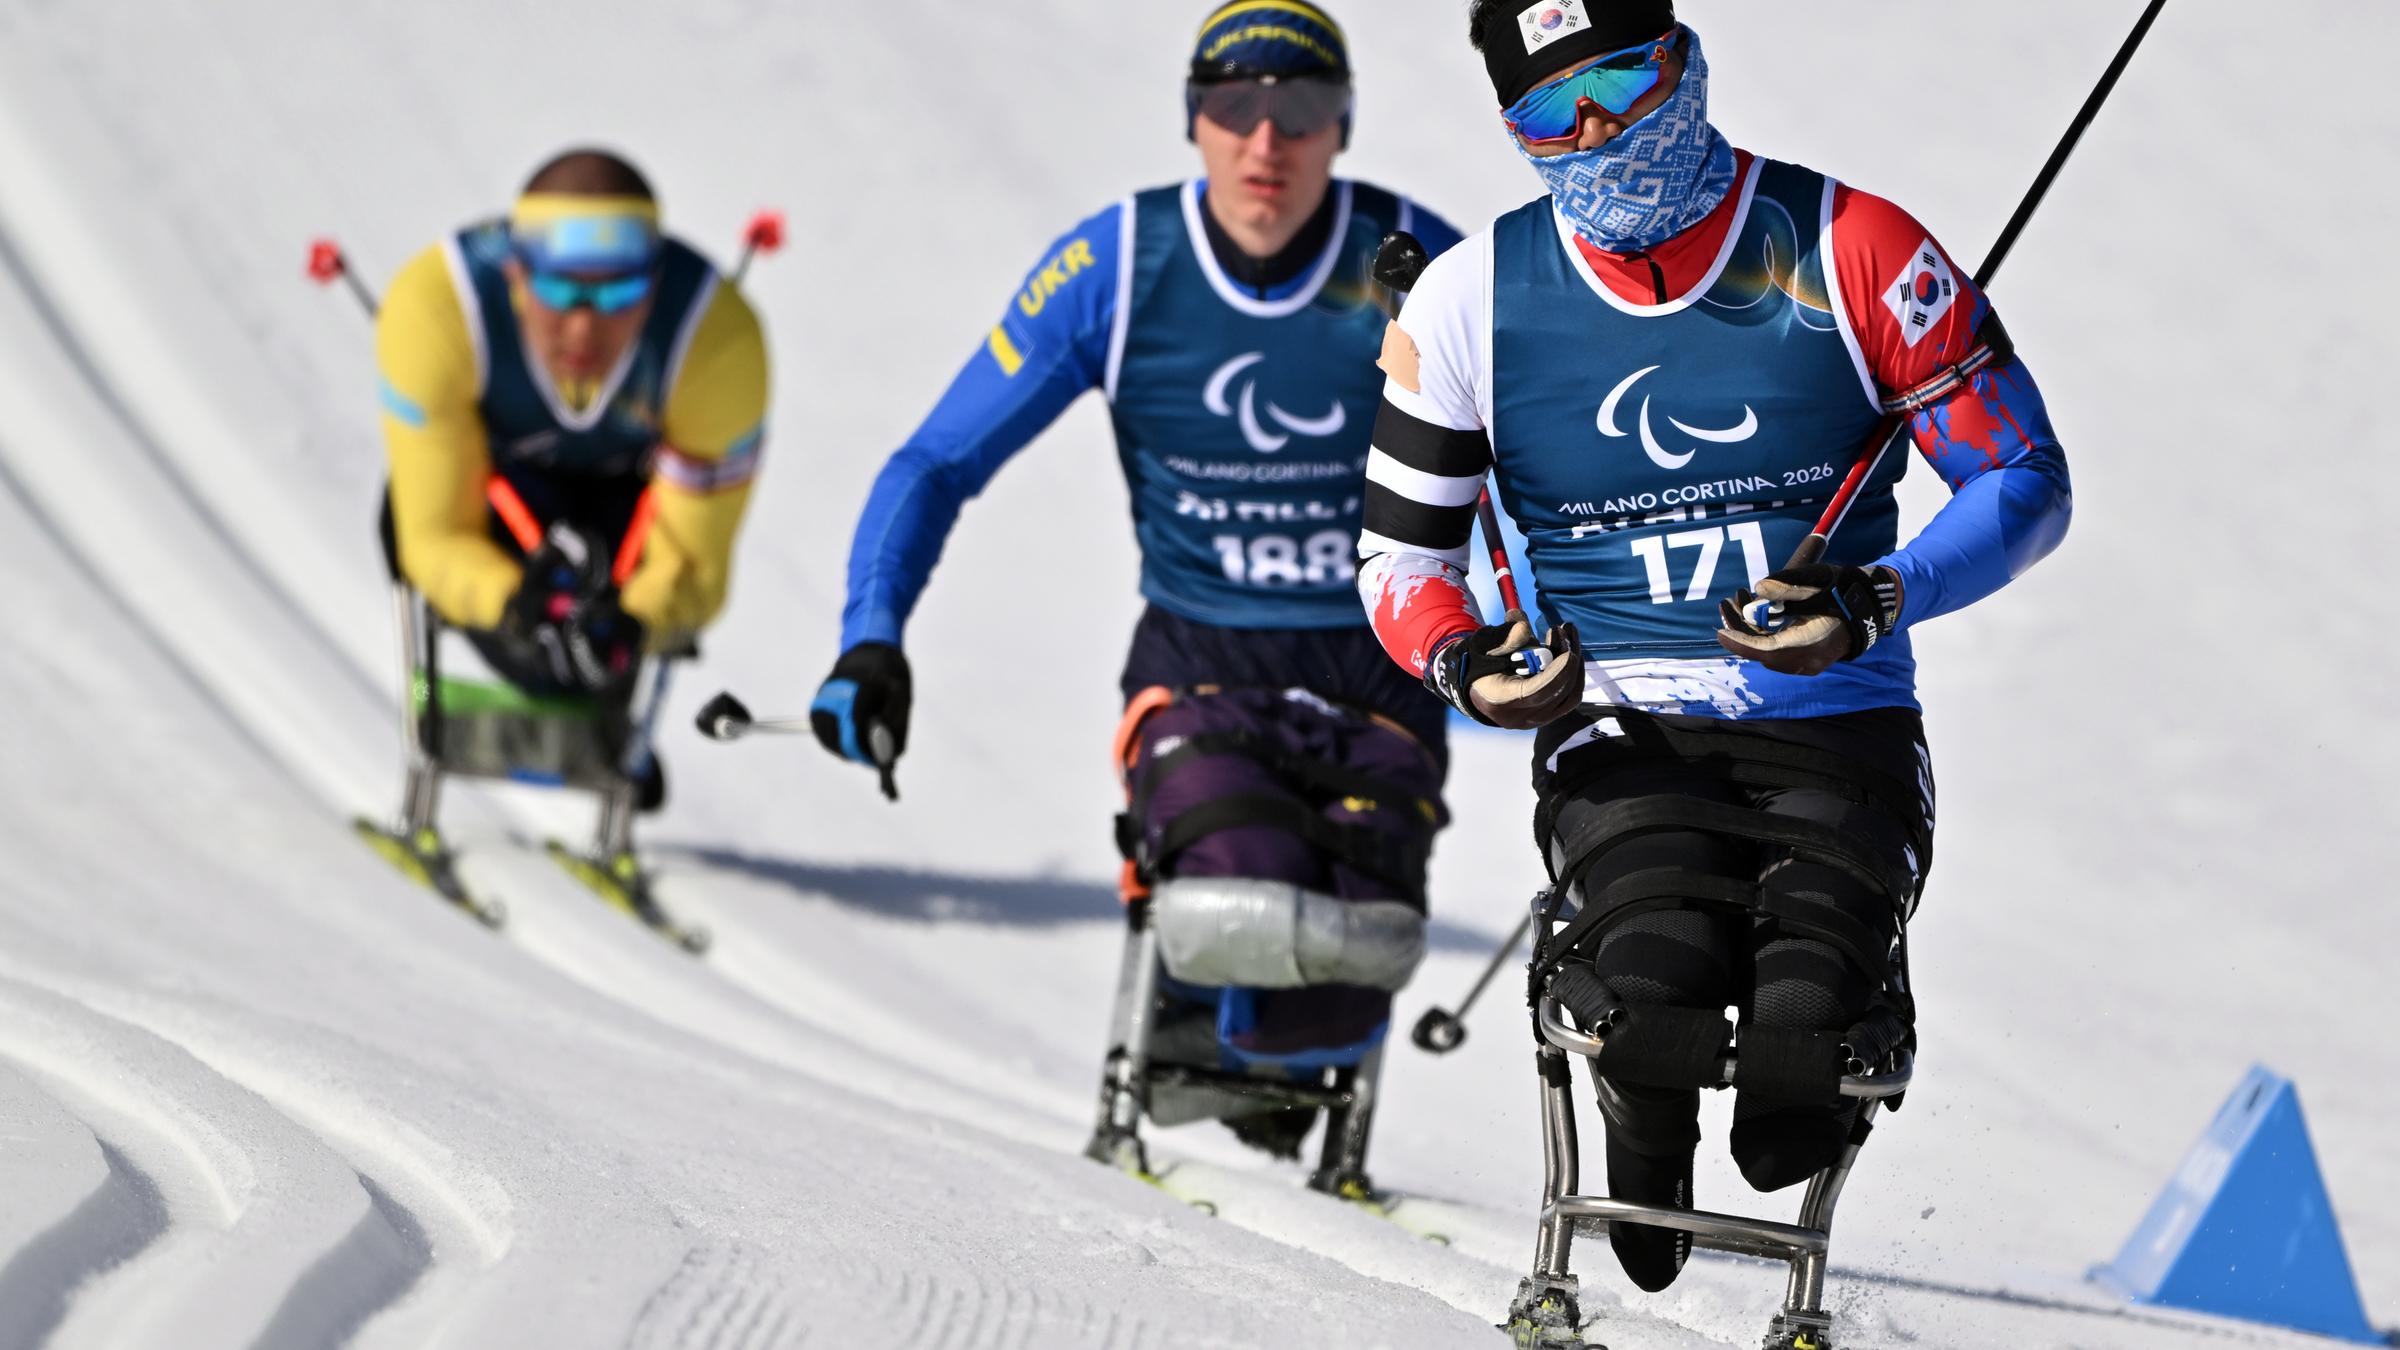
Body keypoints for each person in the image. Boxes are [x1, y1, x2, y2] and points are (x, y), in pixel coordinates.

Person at [1359, 0, 2070, 1292]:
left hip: (1836, 725)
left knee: (1805, 1047)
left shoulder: (1853, 246)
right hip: (1624, 732)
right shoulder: (1468, 299)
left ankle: (1787, 1113)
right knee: (1654, 996)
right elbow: (1402, 562)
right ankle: (1642, 1125)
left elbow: (2025, 481)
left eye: (1621, 82)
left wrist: (1876, 597)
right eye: (1548, 112)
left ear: (1684, 65)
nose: (1594, 132)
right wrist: (1466, 663)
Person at [810, 2, 1465, 1162]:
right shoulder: (1115, 266)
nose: (1267, 141)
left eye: (1303, 109)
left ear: (1345, 124)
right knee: (1232, 901)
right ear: (1193, 120)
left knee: (1366, 945)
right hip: (1203, 657)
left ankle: (1266, 1080)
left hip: (1379, 666)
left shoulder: (1415, 260)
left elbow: (1549, 464)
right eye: (1234, 106)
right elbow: (936, 462)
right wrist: (873, 635)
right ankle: (1196, 1029)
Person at [376, 148, 768, 767]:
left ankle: (616, 735)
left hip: (628, 527)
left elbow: (696, 562)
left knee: (607, 643)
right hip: (499, 511)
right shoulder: (436, 308)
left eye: (618, 293)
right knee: (398, 530)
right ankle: (425, 712)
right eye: (559, 289)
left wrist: (633, 623)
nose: (584, 329)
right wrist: (512, 604)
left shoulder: (717, 341)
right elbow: (433, 537)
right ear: (516, 275)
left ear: (655, 283)